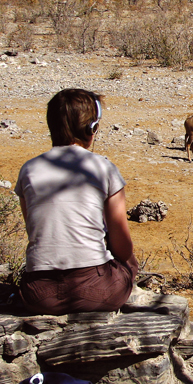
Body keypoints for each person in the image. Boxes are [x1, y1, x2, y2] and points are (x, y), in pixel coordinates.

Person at [15, 88, 138, 315]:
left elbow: (35, 229)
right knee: (129, 263)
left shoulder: (28, 170)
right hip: (98, 290)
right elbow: (122, 246)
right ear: (92, 128)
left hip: (39, 294)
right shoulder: (105, 168)